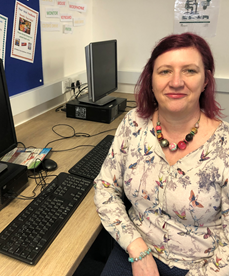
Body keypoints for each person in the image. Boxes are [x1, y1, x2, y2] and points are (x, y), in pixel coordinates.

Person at [94, 32, 229, 276]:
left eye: (189, 70)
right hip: (134, 249)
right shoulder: (134, 124)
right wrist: (136, 249)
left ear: (206, 80)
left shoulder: (225, 147)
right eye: (165, 71)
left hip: (199, 267)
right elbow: (105, 187)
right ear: (151, 80)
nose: (176, 82)